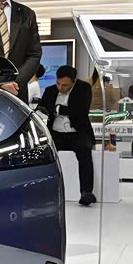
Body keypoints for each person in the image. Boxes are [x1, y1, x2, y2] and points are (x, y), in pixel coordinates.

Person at [39, 66, 96, 206]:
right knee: (43, 154)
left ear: (73, 81)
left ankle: (86, 192)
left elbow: (81, 111)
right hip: (56, 133)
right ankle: (43, 192)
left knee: (85, 153)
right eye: (58, 83)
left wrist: (60, 109)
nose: (60, 88)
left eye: (65, 85)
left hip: (78, 133)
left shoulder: (83, 88)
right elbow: (42, 107)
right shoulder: (50, 90)